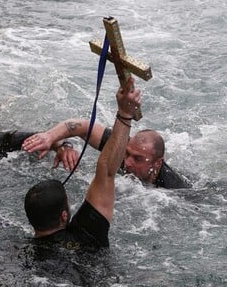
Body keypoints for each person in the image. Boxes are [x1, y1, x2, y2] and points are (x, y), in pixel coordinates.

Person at [23, 77, 141, 251]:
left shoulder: (22, 251)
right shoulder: (87, 234)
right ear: (64, 216)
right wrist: (125, 113)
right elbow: (106, 170)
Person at [22, 114, 191, 189]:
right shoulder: (122, 150)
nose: (128, 162)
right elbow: (83, 126)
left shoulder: (173, 188)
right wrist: (49, 137)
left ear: (158, 163)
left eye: (138, 159)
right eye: (128, 154)